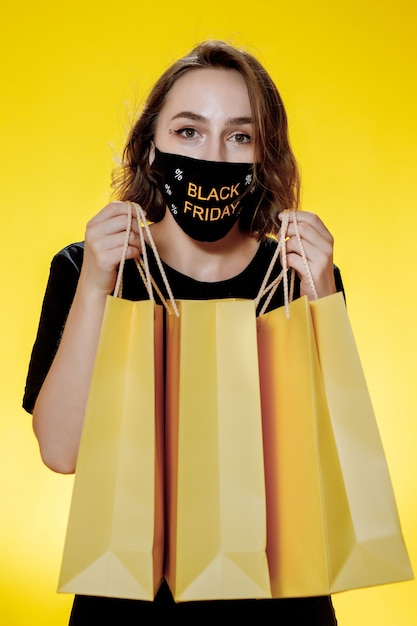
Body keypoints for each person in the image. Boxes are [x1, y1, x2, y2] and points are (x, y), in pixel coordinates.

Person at [23, 40, 342, 624]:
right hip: (130, 601)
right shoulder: (87, 266)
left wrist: (322, 297)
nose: (214, 154)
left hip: (279, 599)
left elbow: (333, 466)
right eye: (189, 131)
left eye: (239, 136)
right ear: (150, 149)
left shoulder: (297, 275)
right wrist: (95, 287)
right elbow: (61, 450)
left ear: (262, 158)